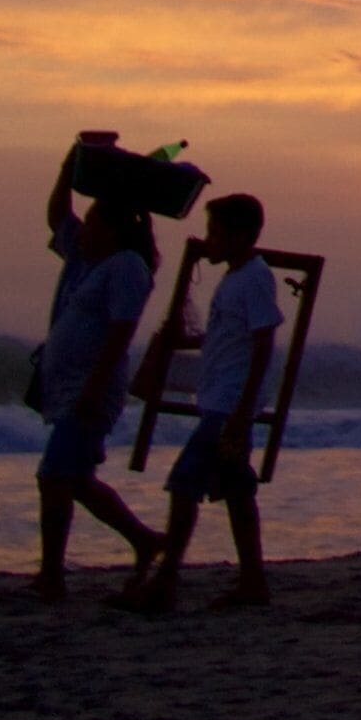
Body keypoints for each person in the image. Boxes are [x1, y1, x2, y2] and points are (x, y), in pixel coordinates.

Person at [118, 193, 283, 613]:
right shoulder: (234, 279)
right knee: (237, 492)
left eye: (216, 233)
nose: (207, 241)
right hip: (222, 404)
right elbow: (230, 338)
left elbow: (263, 345)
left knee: (184, 485)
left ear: (241, 236)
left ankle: (166, 582)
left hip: (228, 408)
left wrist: (241, 414)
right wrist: (187, 341)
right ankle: (252, 581)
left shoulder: (256, 278)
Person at [30, 142, 164, 601]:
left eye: (92, 221)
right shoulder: (84, 259)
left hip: (92, 390)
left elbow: (121, 332)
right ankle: (145, 541)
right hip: (68, 388)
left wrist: (94, 386)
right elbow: (56, 217)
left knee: (54, 477)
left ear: (112, 229)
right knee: (77, 480)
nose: (82, 227)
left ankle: (51, 577)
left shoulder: (127, 267)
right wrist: (69, 165)